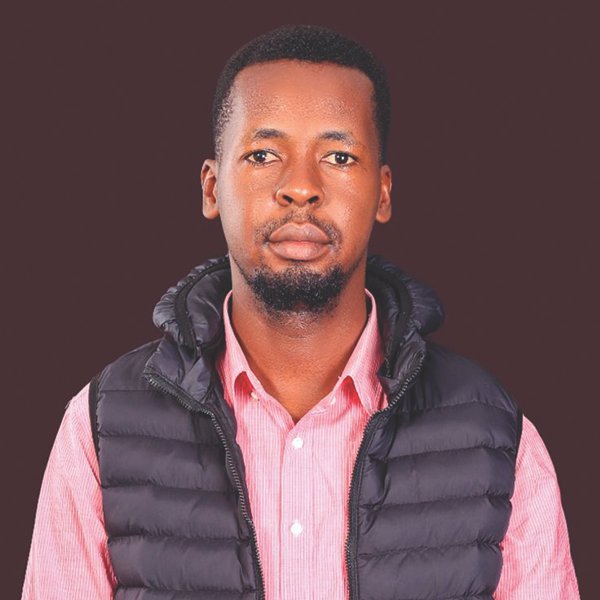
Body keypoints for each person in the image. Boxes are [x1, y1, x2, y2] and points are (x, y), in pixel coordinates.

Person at [22, 24, 579, 600]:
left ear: (383, 191)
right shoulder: (101, 428)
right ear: (212, 188)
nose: (301, 188)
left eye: (338, 156)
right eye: (264, 154)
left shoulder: (495, 436)